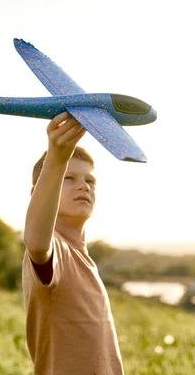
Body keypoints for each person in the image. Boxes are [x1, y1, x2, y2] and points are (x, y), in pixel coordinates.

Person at [21, 111, 124, 374]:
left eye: (90, 180)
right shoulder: (56, 249)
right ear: (39, 192)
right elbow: (35, 243)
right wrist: (56, 159)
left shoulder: (82, 256)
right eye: (69, 178)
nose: (84, 186)